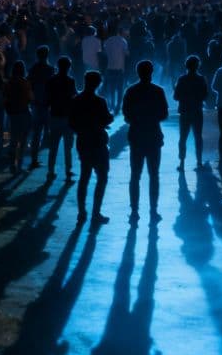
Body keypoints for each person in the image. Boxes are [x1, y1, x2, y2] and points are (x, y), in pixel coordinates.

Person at [122, 59, 169, 223]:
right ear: (151, 72)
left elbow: (126, 115)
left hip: (136, 135)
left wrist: (138, 118)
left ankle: (134, 211)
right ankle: (153, 210)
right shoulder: (158, 91)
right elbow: (164, 114)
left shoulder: (131, 91)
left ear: (137, 72)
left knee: (135, 174)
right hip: (153, 135)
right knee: (154, 174)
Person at [69, 69, 112, 229]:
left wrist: (82, 130)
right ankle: (96, 212)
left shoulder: (76, 100)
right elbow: (107, 118)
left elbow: (71, 122)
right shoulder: (100, 101)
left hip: (83, 141)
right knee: (102, 177)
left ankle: (82, 212)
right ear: (98, 83)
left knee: (84, 176)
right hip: (98, 142)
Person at [173, 55, 209, 169]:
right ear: (198, 66)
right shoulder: (201, 79)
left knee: (183, 137)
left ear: (186, 66)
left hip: (184, 110)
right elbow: (205, 95)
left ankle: (182, 162)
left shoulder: (182, 79)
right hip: (197, 110)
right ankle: (199, 161)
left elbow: (176, 96)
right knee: (198, 136)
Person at [46, 56, 76, 182]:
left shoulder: (52, 80)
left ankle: (51, 170)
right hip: (67, 116)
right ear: (69, 67)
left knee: (53, 146)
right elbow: (74, 96)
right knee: (68, 147)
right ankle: (68, 170)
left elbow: (48, 97)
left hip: (54, 115)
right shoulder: (70, 81)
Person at [2, 60, 33, 174]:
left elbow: (4, 99)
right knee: (23, 141)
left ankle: (12, 165)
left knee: (13, 141)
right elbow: (30, 98)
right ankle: (19, 165)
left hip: (12, 114)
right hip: (24, 113)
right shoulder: (25, 83)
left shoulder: (8, 83)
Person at [28, 45, 54, 168]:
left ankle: (34, 159)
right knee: (49, 134)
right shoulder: (50, 69)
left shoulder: (33, 69)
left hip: (36, 104)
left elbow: (30, 86)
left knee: (37, 133)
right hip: (47, 105)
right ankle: (51, 164)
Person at [103, 27, 129, 113]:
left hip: (110, 67)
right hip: (120, 68)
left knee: (111, 88)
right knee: (120, 88)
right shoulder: (123, 41)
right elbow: (126, 53)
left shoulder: (107, 41)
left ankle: (112, 105)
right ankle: (118, 106)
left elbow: (105, 53)